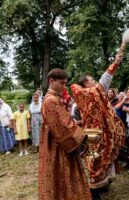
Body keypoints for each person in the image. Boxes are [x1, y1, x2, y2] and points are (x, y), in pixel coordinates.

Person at [71, 53, 125, 192]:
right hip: (93, 132)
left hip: (100, 130)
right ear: (85, 84)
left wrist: (116, 64)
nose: (95, 81)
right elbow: (104, 81)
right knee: (96, 157)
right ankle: (94, 186)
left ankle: (103, 183)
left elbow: (103, 83)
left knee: (105, 154)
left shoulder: (93, 93)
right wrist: (115, 64)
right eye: (91, 79)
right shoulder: (87, 93)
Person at [39, 68, 91, 200]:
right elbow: (61, 127)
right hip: (58, 144)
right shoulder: (51, 100)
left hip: (57, 141)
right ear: (52, 81)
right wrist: (83, 135)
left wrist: (75, 124)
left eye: (65, 83)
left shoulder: (53, 98)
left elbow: (64, 120)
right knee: (61, 171)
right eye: (61, 83)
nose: (64, 86)